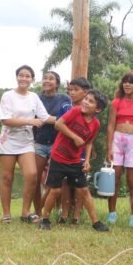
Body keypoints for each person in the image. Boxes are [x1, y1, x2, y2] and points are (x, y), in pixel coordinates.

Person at [39, 90, 109, 232]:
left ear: (98, 109)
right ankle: (44, 219)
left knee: (84, 190)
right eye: (86, 99)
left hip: (74, 161)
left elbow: (89, 142)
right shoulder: (76, 111)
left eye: (90, 101)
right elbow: (58, 124)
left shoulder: (95, 124)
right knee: (55, 190)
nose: (85, 102)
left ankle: (96, 222)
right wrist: (74, 137)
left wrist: (87, 160)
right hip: (58, 157)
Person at [0, 65, 52, 223]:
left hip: (26, 142)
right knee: (7, 178)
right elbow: (5, 120)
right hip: (8, 141)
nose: (24, 78)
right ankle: (6, 214)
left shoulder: (34, 97)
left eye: (27, 76)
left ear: (32, 80)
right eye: (21, 75)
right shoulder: (8, 95)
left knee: (32, 174)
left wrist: (66, 119)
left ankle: (25, 212)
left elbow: (45, 117)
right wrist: (29, 121)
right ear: (17, 77)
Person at [106, 70, 133, 228]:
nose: (127, 84)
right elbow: (110, 125)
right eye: (125, 81)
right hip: (117, 141)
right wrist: (109, 147)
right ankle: (112, 213)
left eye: (131, 82)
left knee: (132, 181)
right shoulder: (116, 102)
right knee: (114, 179)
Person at [33, 71, 71, 216]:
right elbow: (33, 119)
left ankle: (53, 209)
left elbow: (68, 118)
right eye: (45, 78)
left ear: (57, 83)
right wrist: (56, 120)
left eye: (51, 79)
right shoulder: (36, 98)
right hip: (40, 142)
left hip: (58, 143)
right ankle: (37, 211)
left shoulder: (64, 98)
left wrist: (48, 120)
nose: (47, 81)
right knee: (35, 179)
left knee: (56, 179)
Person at [59, 77, 92, 224]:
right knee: (65, 183)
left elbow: (90, 139)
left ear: (85, 92)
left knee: (80, 185)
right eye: (70, 90)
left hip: (81, 154)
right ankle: (64, 214)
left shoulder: (90, 110)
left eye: (76, 90)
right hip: (64, 152)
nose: (72, 93)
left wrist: (88, 159)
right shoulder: (65, 107)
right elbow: (59, 126)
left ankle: (77, 215)